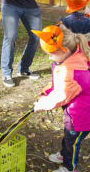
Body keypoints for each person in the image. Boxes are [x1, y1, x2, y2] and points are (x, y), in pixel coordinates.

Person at [32, 24, 90, 172]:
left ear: (63, 50)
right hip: (74, 113)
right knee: (68, 136)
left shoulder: (73, 71)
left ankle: (69, 167)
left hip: (81, 117)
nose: (49, 57)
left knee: (73, 142)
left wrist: (42, 104)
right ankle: (64, 155)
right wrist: (46, 92)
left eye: (51, 53)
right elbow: (56, 82)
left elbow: (61, 95)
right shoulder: (67, 58)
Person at [1, 0, 73, 87]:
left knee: (36, 36)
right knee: (10, 36)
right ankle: (6, 72)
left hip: (29, 3)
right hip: (10, 1)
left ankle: (24, 69)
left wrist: (84, 6)